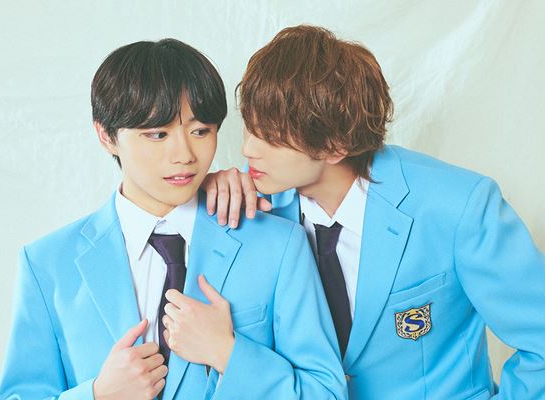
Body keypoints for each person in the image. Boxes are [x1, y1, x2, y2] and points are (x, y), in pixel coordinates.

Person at [204, 25, 545, 399]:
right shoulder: (252, 209)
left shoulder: (458, 206)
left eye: (270, 136)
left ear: (335, 146)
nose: (248, 149)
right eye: (249, 127)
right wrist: (201, 191)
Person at [0, 39, 347, 400]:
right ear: (106, 136)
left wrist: (228, 353)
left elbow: (327, 394)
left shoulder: (278, 244)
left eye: (200, 131)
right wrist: (98, 395)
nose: (184, 155)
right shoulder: (47, 264)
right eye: (158, 134)